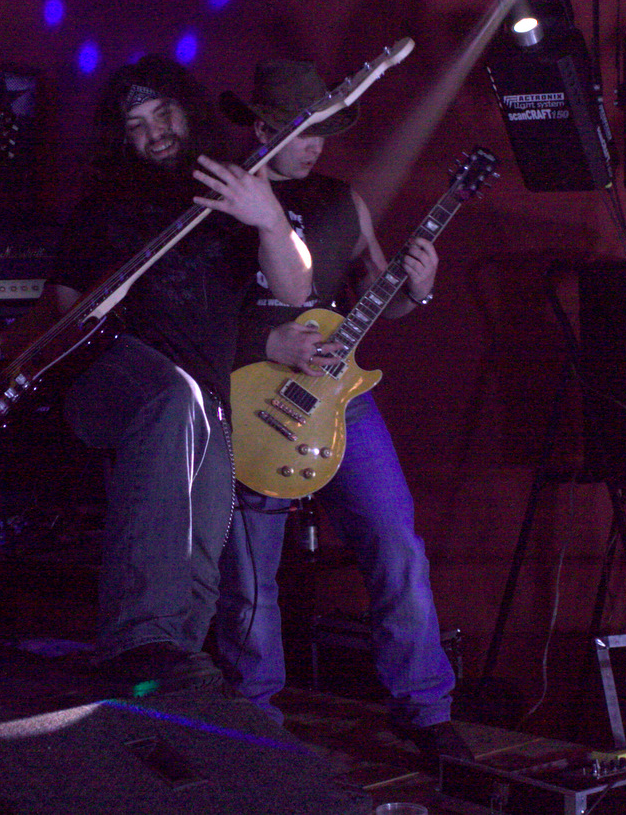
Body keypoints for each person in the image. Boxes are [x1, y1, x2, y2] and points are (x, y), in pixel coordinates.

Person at [0, 55, 311, 689]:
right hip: (112, 382)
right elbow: (62, 307)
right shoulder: (103, 205)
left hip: (206, 398)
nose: (155, 132)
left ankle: (166, 677)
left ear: (189, 110)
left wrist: (269, 218)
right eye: (137, 124)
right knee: (170, 398)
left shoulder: (235, 195)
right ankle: (138, 640)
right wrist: (8, 349)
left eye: (163, 113)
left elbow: (296, 287)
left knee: (202, 539)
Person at [212, 59, 471, 767]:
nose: (315, 146)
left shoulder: (341, 200)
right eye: (303, 131)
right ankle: (256, 721)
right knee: (251, 577)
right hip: (251, 399)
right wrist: (266, 342)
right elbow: (184, 314)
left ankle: (425, 710)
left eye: (324, 131)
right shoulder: (224, 198)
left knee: (396, 542)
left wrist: (419, 287)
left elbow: (381, 293)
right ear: (262, 128)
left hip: (341, 398)